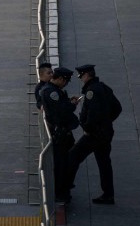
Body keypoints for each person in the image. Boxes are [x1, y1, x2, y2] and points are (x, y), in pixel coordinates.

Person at [67, 64, 119, 205]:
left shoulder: (91, 92)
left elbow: (93, 114)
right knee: (104, 163)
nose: (81, 79)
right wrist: (107, 122)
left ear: (86, 75)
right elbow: (117, 107)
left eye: (81, 76)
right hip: (105, 133)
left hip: (94, 134)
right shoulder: (104, 87)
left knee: (73, 156)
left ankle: (65, 188)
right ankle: (108, 194)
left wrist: (88, 127)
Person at [41, 67, 80, 203]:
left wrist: (69, 102)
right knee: (63, 163)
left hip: (63, 132)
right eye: (66, 81)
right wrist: (73, 105)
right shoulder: (52, 92)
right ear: (61, 79)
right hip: (61, 133)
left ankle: (64, 187)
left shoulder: (52, 90)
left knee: (66, 160)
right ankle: (61, 191)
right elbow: (61, 112)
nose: (66, 84)